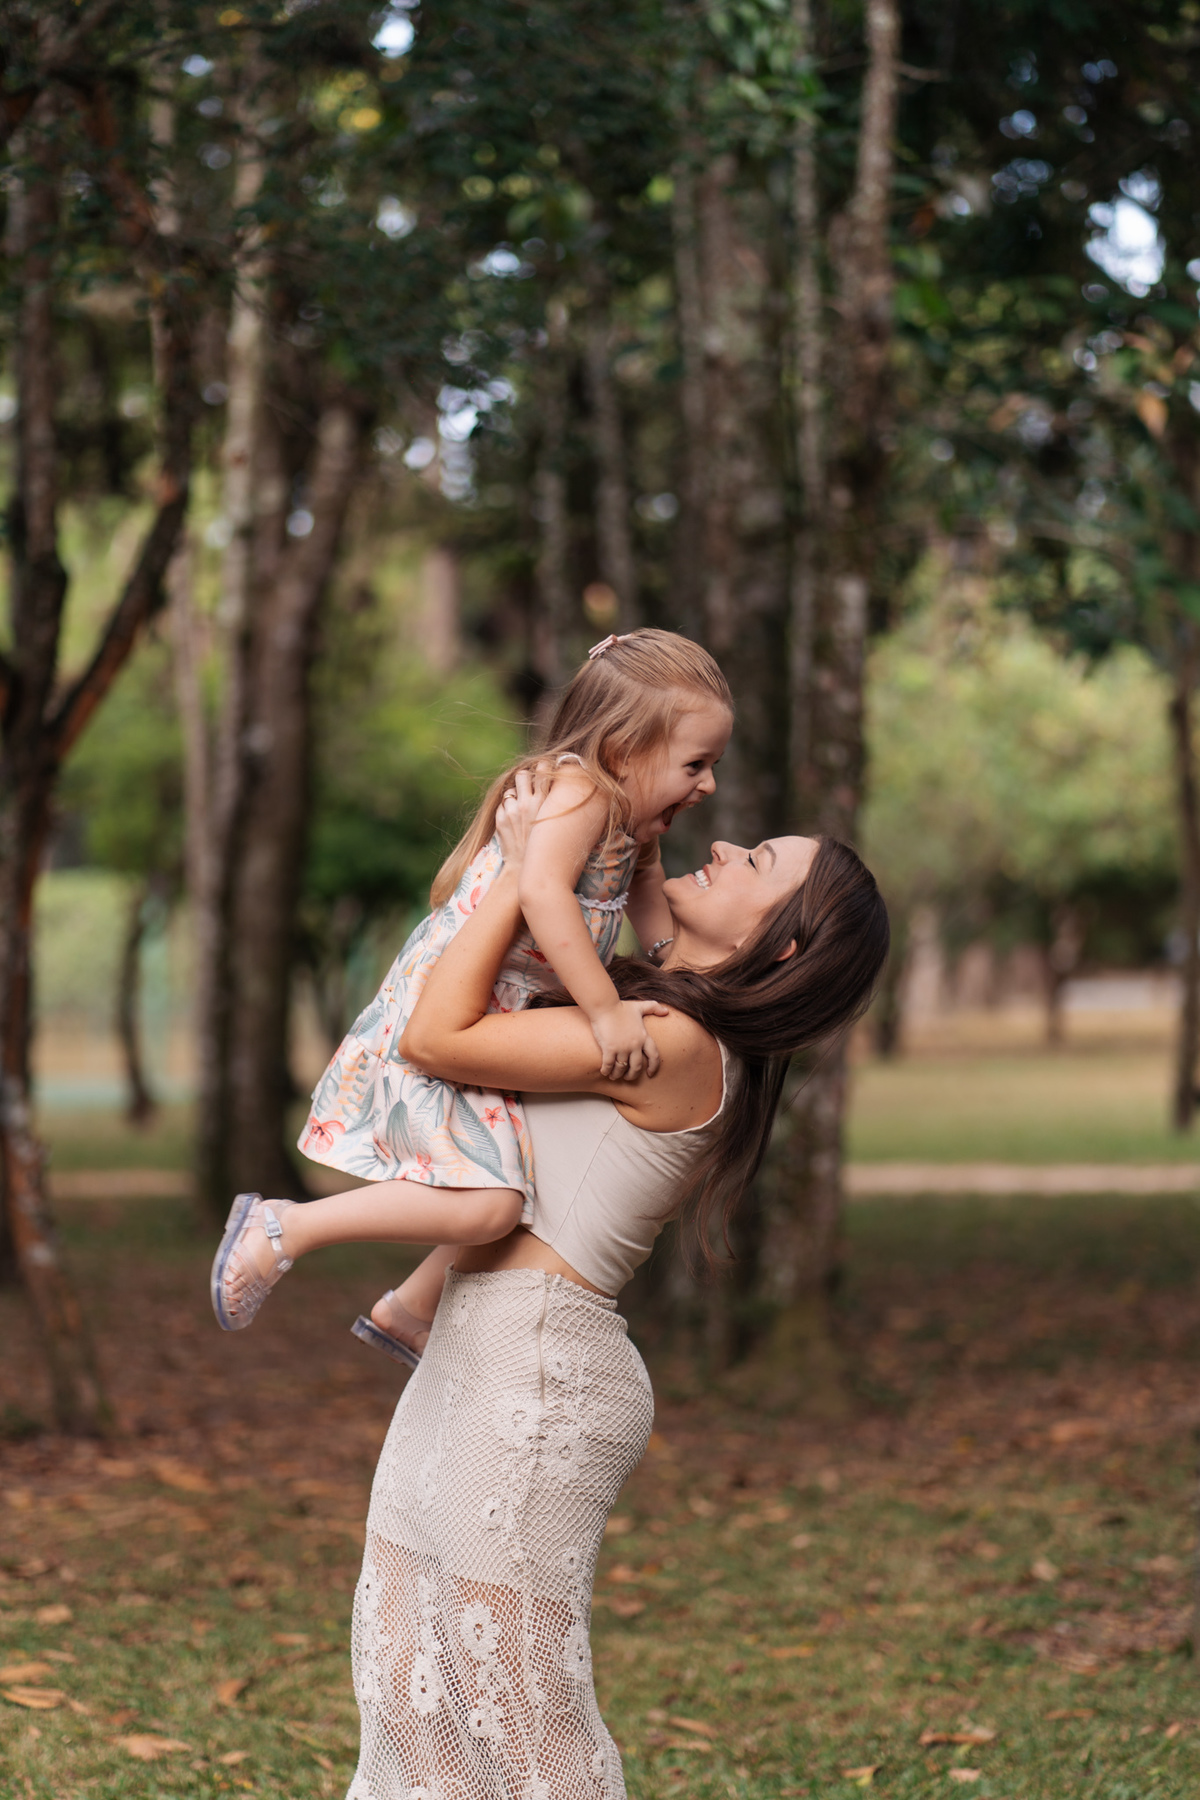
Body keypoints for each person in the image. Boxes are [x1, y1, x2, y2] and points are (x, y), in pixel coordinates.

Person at [216, 774, 889, 1800]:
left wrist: (525, 873)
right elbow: (634, 883)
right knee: (410, 1692)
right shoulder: (653, 1009)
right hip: (471, 1354)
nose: (731, 846)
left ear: (786, 945)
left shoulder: (670, 1045)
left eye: (759, 864)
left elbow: (435, 1037)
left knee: (524, 1722)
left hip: (538, 1374)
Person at [210, 631, 733, 1360]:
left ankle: (407, 1308)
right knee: (492, 1203)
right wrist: (605, 1011)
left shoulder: (635, 820)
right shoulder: (581, 791)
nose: (707, 784)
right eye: (695, 764)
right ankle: (284, 1226)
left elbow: (645, 892)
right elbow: (543, 893)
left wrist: (668, 965)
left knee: (529, 1171)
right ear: (626, 747)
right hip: (471, 998)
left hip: (518, 1006)